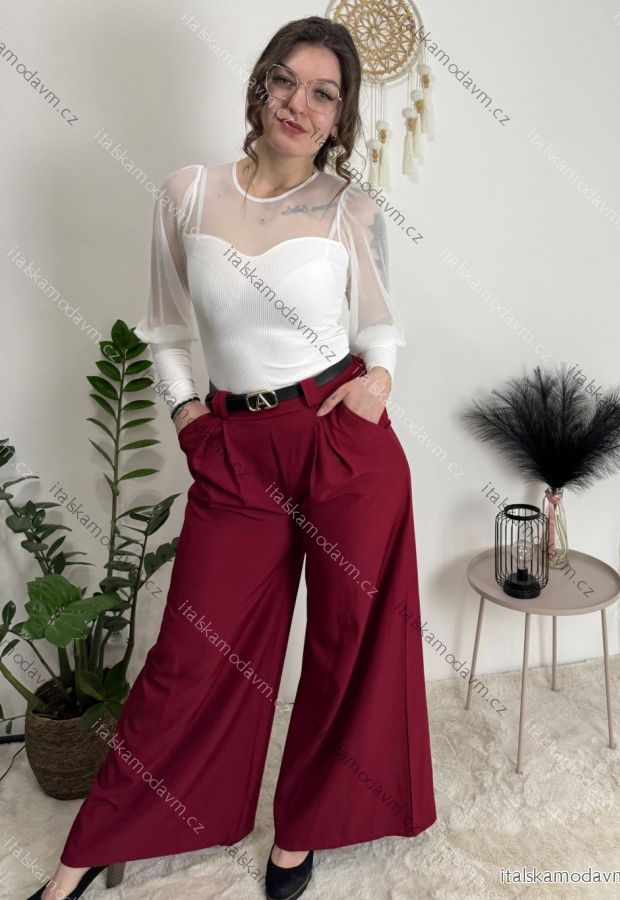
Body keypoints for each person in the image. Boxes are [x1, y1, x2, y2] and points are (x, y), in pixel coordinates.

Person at [29, 15, 436, 900]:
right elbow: (165, 327)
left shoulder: (351, 209)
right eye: (286, 80)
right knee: (189, 652)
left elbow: (379, 323)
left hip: (339, 441)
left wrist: (378, 381)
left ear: (340, 116)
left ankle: (302, 833)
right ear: (260, 83)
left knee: (344, 647)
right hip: (235, 451)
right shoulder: (186, 193)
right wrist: (189, 421)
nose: (300, 103)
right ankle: (87, 854)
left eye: (323, 93)